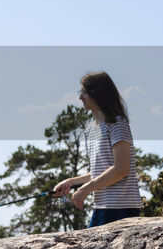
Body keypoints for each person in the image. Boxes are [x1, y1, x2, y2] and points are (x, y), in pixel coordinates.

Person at [53, 71, 143, 227]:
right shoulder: (90, 130)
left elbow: (121, 168)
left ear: (97, 94)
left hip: (122, 209)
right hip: (101, 209)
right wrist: (71, 182)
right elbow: (100, 171)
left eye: (83, 92)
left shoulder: (117, 124)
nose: (80, 97)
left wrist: (85, 189)